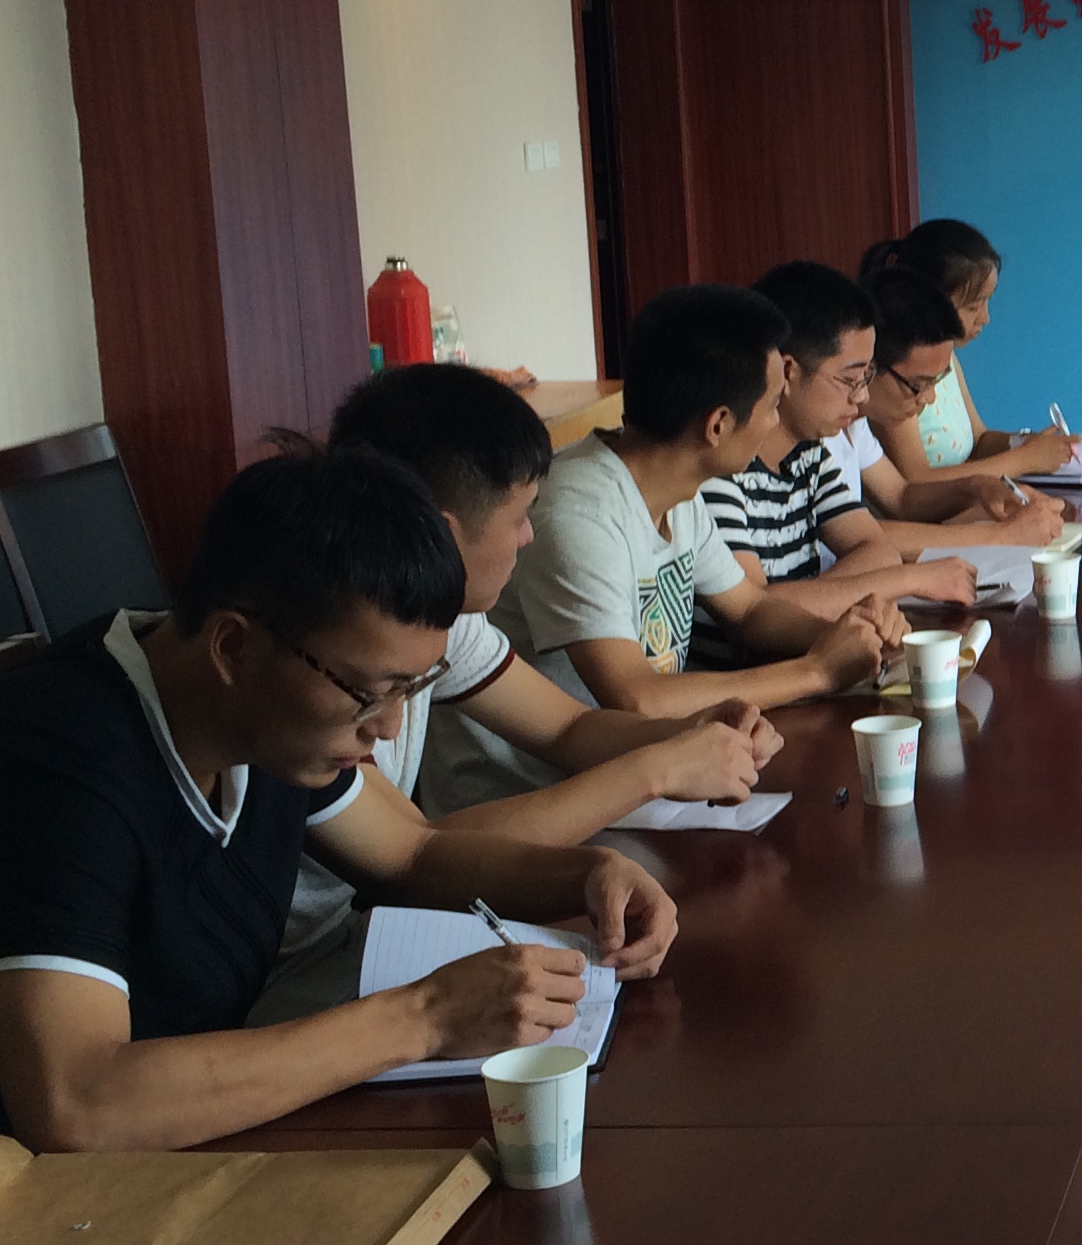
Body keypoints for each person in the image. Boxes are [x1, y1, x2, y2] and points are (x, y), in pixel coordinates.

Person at [0, 450, 678, 1245]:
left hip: (131, 1186)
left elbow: (411, 852)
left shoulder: (253, 714)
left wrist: (585, 875)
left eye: (411, 688)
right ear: (235, 646)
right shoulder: (59, 773)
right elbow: (79, 1105)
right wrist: (427, 1016)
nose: (390, 725)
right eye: (371, 692)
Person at [269, 365, 781, 986]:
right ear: (442, 532)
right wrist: (658, 770)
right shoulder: (331, 648)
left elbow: (567, 728)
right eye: (519, 517)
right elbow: (414, 854)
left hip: (358, 932)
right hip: (301, 959)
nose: (530, 536)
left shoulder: (451, 623)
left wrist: (694, 734)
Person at [425, 283, 899, 810]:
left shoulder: (677, 490)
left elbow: (749, 610)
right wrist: (817, 670)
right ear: (718, 425)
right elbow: (638, 699)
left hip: (626, 781)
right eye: (771, 406)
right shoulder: (579, 511)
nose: (775, 421)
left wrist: (851, 635)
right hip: (528, 803)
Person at [692, 260, 984, 667]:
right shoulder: (719, 472)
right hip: (749, 686)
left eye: (867, 378)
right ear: (787, 372)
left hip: (808, 666)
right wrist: (908, 579)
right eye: (849, 380)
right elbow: (757, 618)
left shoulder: (808, 454)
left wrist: (819, 602)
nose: (861, 397)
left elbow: (878, 550)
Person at [858, 218, 1078, 502]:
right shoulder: (897, 389)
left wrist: (1024, 443)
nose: (985, 318)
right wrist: (1024, 459)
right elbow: (914, 482)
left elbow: (979, 440)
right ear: (930, 301)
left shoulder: (947, 361)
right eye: (974, 305)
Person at [838, 266, 1065, 542]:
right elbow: (858, 532)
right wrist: (1000, 536)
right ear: (869, 367)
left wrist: (975, 488)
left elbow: (900, 498)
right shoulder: (822, 429)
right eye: (918, 385)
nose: (929, 398)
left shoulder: (855, 426)